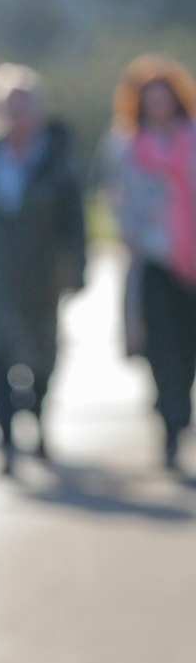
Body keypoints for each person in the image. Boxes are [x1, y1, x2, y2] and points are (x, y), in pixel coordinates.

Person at [0, 64, 85, 473]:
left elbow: (74, 220)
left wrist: (77, 268)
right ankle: (6, 438)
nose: (17, 117)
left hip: (41, 270)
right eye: (9, 109)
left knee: (41, 351)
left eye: (24, 109)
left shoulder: (56, 157)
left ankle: (38, 419)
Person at [109, 55, 196, 471]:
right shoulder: (127, 147)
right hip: (155, 263)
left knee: (188, 347)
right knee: (162, 347)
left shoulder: (192, 140)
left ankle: (181, 407)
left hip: (192, 260)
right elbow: (118, 201)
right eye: (151, 100)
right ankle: (170, 419)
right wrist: (136, 234)